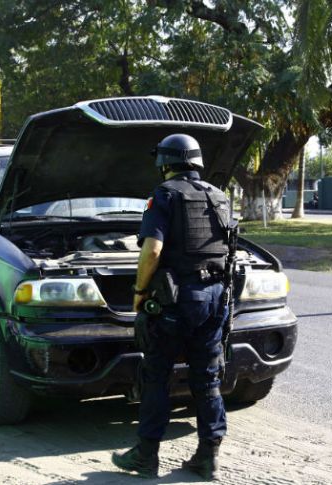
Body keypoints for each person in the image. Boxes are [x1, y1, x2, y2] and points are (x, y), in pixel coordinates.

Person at [112, 134, 231, 480]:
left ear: (164, 163)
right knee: (207, 378)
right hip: (215, 297)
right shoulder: (219, 196)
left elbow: (152, 251)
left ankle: (146, 456)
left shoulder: (164, 195)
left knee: (157, 376)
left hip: (175, 300)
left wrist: (139, 291)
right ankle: (208, 455)